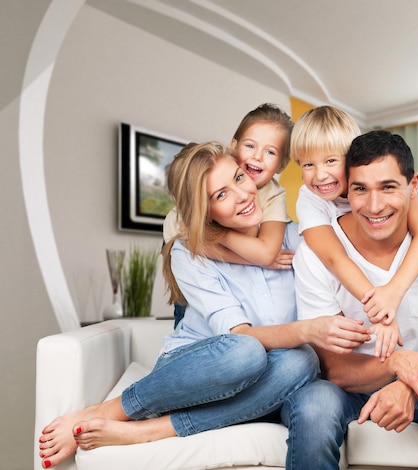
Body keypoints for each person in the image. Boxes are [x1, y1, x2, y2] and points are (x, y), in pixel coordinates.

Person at [38, 142, 365, 469]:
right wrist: (308, 330)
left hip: (268, 379)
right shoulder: (189, 254)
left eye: (239, 178)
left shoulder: (296, 238)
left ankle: (153, 431)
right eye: (220, 195)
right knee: (245, 351)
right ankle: (105, 412)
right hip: (197, 370)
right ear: (203, 210)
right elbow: (242, 336)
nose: (242, 195)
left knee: (302, 362)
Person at [282, 130, 418, 469]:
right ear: (345, 189)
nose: (374, 206)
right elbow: (335, 369)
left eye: (388, 187)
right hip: (349, 388)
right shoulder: (315, 253)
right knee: (314, 404)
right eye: (360, 189)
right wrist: (396, 363)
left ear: (413, 185)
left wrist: (407, 386)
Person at [290, 106, 418, 360]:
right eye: (308, 164)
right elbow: (335, 257)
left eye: (330, 161)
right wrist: (380, 311)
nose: (320, 175)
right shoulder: (309, 200)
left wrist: (394, 291)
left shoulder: (386, 182)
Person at [163, 103, 295, 327]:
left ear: (282, 165)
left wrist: (218, 235)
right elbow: (188, 246)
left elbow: (266, 253)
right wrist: (221, 238)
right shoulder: (186, 210)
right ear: (234, 147)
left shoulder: (272, 194)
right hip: (193, 286)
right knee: (187, 317)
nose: (257, 157)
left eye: (270, 151)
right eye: (250, 145)